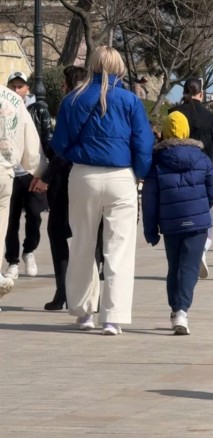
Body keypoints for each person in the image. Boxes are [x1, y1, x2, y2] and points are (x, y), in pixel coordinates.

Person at [51, 45, 154, 335]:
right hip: (121, 176)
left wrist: (78, 153)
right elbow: (143, 143)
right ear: (120, 68)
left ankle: (84, 312)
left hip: (84, 174)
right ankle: (113, 317)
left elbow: (59, 142)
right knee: (119, 248)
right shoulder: (130, 100)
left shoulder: (73, 99)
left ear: (93, 66)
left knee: (82, 243)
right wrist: (139, 173)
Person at [142, 111, 213, 335]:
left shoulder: (157, 161)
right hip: (197, 222)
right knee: (189, 268)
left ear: (165, 133)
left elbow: (149, 198)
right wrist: (202, 206)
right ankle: (182, 311)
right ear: (186, 131)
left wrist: (150, 230)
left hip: (171, 223)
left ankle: (175, 308)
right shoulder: (201, 157)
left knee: (174, 266)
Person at [35, 66, 87, 311]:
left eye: (64, 84)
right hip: (86, 177)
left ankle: (63, 291)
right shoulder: (93, 105)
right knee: (87, 236)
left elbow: (62, 149)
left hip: (64, 179)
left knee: (57, 233)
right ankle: (86, 293)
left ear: (68, 84)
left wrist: (46, 176)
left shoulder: (69, 105)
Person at [168, 78, 213, 279]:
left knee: (178, 213)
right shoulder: (210, 116)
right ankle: (201, 249)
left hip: (175, 170)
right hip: (203, 169)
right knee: (206, 215)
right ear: (201, 93)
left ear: (184, 92)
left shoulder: (174, 113)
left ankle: (181, 256)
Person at [5, 72, 49, 281]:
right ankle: (12, 261)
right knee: (10, 219)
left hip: (31, 173)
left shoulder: (37, 110)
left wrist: (43, 173)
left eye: (20, 86)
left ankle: (29, 250)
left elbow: (43, 138)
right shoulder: (4, 106)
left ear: (27, 89)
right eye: (13, 86)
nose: (16, 90)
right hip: (9, 172)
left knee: (34, 215)